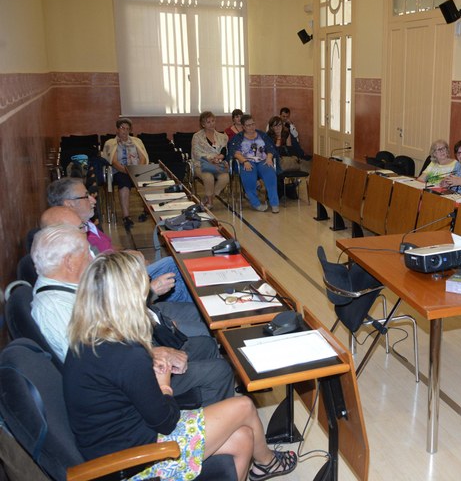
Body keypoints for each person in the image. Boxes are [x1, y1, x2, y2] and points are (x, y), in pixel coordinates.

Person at [63, 252, 297, 481]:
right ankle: (267, 462)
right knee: (244, 406)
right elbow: (166, 421)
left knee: (244, 437)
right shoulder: (127, 354)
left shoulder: (87, 340)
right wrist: (164, 385)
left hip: (115, 443)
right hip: (135, 460)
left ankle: (263, 465)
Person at [30, 224, 233, 406]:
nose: (93, 257)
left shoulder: (69, 288)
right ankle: (212, 421)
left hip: (129, 356)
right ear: (69, 262)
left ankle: (210, 405)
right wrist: (151, 353)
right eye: (87, 252)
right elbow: (92, 364)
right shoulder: (53, 307)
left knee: (205, 345)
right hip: (124, 384)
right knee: (219, 370)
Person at [47, 178, 192, 303]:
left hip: (122, 270)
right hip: (118, 282)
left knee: (175, 267)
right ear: (69, 204)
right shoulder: (73, 236)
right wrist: (130, 261)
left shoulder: (86, 224)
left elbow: (108, 249)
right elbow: (100, 276)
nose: (93, 199)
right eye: (86, 196)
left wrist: (128, 254)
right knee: (176, 268)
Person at [102, 117, 148, 227]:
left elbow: (143, 157)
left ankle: (146, 212)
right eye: (123, 128)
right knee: (124, 184)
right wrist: (126, 171)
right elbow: (113, 161)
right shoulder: (111, 143)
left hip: (136, 170)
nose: (125, 131)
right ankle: (126, 217)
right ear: (117, 129)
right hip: (120, 171)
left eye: (128, 129)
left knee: (147, 182)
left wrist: (137, 170)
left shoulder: (137, 141)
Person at [230, 114, 281, 213]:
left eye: (253, 124)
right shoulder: (238, 137)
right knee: (248, 175)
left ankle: (274, 203)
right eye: (248, 125)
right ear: (243, 127)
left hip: (262, 160)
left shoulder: (262, 135)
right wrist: (244, 161)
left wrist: (269, 157)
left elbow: (270, 148)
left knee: (270, 175)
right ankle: (256, 203)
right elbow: (235, 153)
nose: (252, 127)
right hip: (247, 161)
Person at [192, 111, 230, 209]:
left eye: (213, 121)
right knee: (209, 177)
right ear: (203, 124)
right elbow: (196, 153)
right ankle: (210, 202)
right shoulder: (197, 137)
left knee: (225, 178)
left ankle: (209, 197)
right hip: (201, 164)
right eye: (208, 122)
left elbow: (225, 151)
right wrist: (212, 157)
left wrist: (220, 157)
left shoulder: (222, 137)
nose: (211, 124)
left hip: (218, 164)